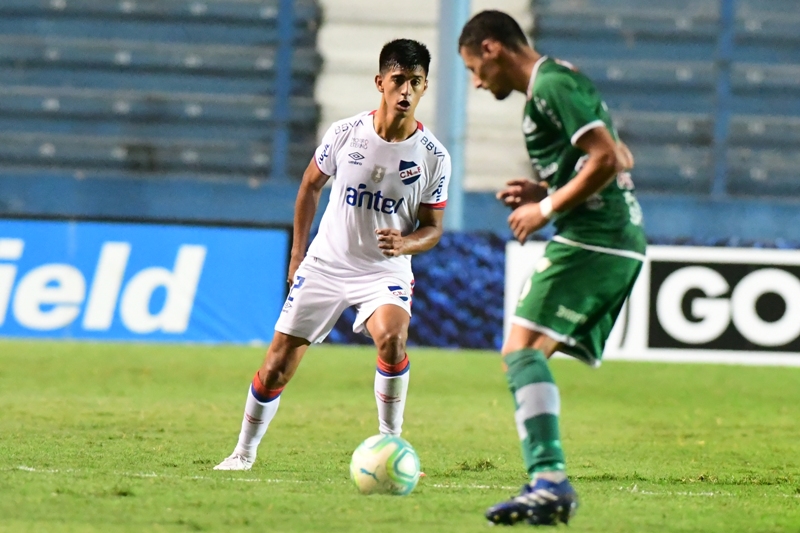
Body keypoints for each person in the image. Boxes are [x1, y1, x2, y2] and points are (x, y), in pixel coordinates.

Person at [214, 38, 450, 471]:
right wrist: (297, 254)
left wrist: (406, 243)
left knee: (393, 339)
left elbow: (433, 230)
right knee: (276, 366)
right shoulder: (345, 133)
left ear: (425, 88)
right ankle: (242, 454)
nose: (405, 91)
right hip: (326, 262)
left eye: (415, 83)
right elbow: (309, 186)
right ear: (379, 82)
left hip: (383, 270)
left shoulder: (435, 158)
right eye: (398, 80)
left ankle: (390, 444)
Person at [458, 10, 646, 526]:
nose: (476, 82)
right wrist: (546, 189)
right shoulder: (559, 83)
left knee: (518, 349)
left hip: (597, 240)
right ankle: (546, 480)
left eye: (475, 67)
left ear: (493, 48)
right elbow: (620, 156)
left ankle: (549, 481)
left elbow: (608, 158)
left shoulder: (550, 85)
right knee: (528, 352)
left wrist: (546, 209)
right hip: (607, 238)